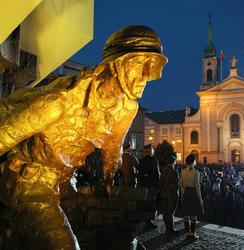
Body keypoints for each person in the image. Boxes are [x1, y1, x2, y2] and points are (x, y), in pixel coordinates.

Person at [0, 25, 167, 249]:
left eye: (153, 65)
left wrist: (108, 179)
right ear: (115, 64)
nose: (147, 74)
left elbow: (113, 147)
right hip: (31, 181)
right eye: (139, 63)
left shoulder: (127, 107)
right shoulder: (60, 103)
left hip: (66, 180)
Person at [180, 154, 203, 239]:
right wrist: (200, 199)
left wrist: (182, 197)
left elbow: (181, 185)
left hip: (185, 193)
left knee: (186, 214)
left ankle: (187, 233)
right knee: (193, 214)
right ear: (193, 162)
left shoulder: (182, 171)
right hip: (193, 194)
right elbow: (197, 187)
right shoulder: (196, 172)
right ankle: (193, 233)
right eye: (195, 161)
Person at [159, 153, 179, 235]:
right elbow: (176, 185)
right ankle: (170, 229)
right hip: (172, 195)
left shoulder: (163, 171)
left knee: (165, 212)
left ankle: (167, 228)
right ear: (173, 162)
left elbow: (160, 183)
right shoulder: (174, 172)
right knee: (171, 212)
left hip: (164, 194)